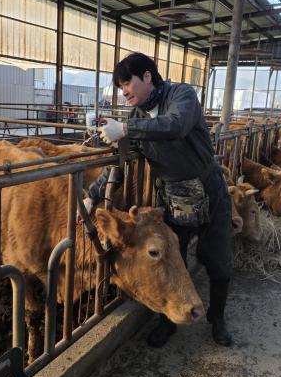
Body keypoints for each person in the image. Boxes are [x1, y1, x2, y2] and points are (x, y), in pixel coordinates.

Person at [84, 52, 233, 348]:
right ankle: (168, 323)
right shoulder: (136, 117)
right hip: (174, 197)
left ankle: (218, 318)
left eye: (127, 83)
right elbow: (121, 165)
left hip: (209, 189)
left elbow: (175, 125)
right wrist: (92, 196)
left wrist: (124, 129)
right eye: (120, 87)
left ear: (147, 76)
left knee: (217, 258)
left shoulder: (181, 95)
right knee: (171, 258)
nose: (124, 92)